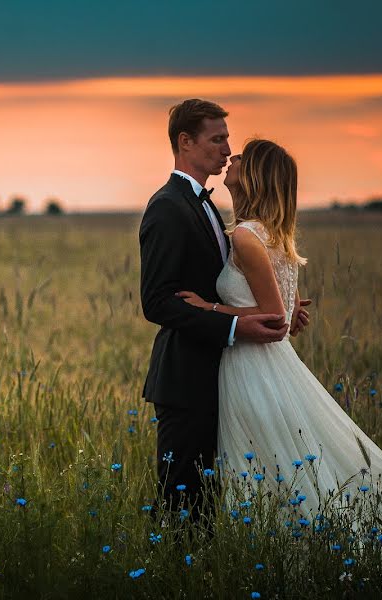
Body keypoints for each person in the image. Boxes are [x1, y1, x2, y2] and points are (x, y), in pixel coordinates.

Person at [176, 138, 382, 521]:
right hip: (266, 363)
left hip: (252, 368)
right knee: (278, 464)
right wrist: (287, 312)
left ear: (257, 174)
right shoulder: (268, 234)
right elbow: (283, 311)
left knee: (265, 465)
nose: (232, 157)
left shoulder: (246, 237)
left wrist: (208, 307)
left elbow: (274, 319)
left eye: (243, 156)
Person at [138, 99, 293, 527]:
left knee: (205, 507)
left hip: (219, 377)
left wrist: (274, 312)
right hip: (184, 379)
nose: (227, 149)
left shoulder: (207, 206)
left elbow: (218, 287)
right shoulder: (168, 206)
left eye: (228, 139)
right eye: (217, 139)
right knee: (180, 507)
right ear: (185, 142)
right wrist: (235, 325)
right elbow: (158, 301)